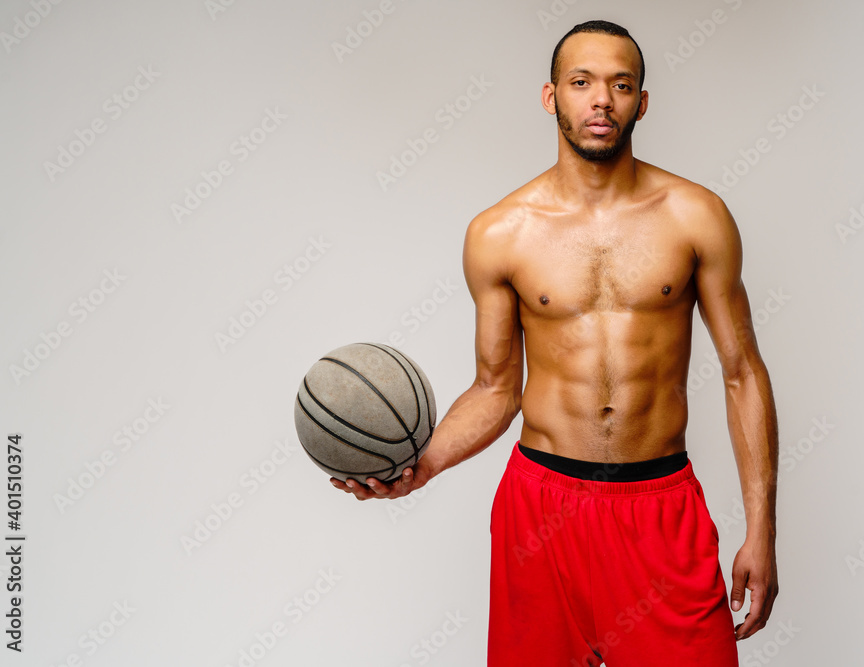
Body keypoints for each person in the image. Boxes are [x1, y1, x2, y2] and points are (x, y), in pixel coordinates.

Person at [330, 19, 779, 666]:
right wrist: (420, 464)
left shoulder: (695, 216)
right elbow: (495, 389)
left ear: (642, 102)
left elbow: (743, 374)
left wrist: (761, 531)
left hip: (659, 506)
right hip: (541, 510)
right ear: (552, 97)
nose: (602, 100)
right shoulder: (500, 233)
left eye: (621, 85)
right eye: (582, 82)